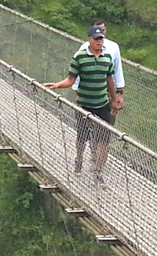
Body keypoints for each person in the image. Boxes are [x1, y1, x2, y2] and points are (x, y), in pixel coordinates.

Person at [39, 25, 123, 181]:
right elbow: (71, 79)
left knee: (104, 137)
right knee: (82, 136)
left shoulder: (107, 58)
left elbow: (110, 80)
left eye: (101, 38)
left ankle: (98, 169)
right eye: (96, 39)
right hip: (85, 104)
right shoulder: (80, 57)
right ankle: (79, 157)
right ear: (89, 40)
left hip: (102, 103)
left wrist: (113, 99)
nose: (100, 41)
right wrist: (57, 85)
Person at [75, 22, 124, 104]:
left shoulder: (113, 47)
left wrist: (119, 92)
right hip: (87, 93)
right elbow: (78, 72)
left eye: (102, 30)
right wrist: (77, 92)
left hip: (106, 93)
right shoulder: (83, 49)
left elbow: (117, 69)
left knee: (107, 115)